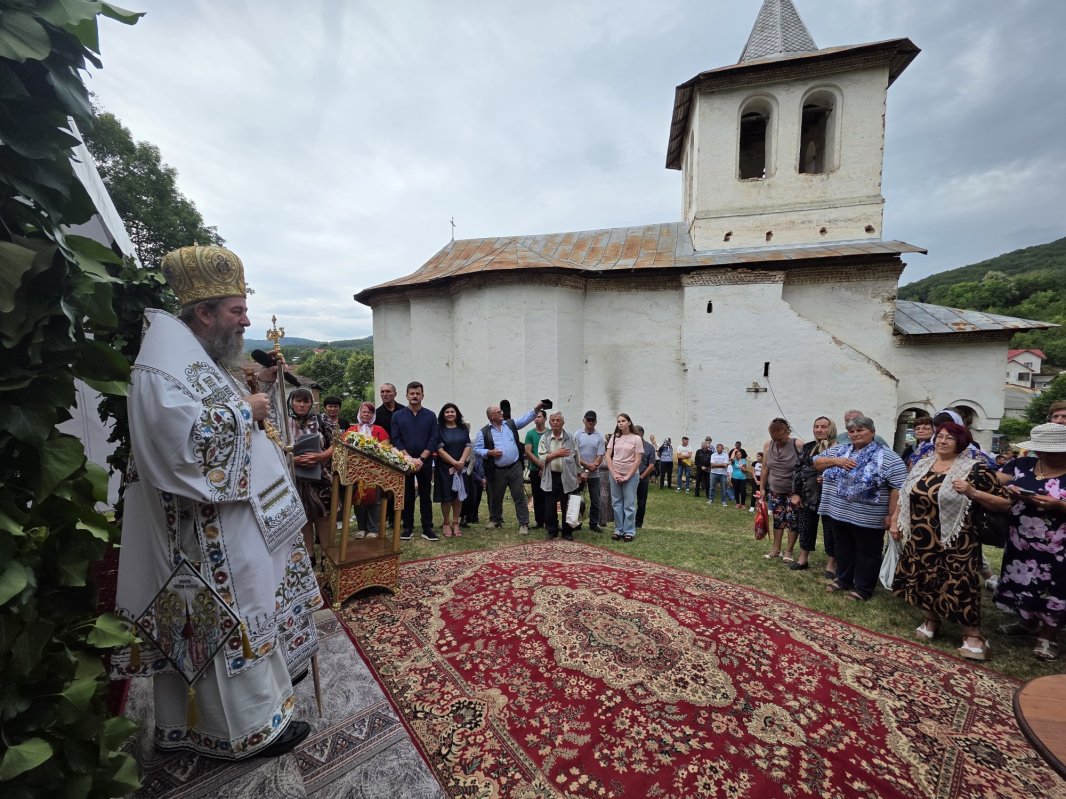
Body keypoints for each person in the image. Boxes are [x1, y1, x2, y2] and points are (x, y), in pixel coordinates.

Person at [110, 245, 319, 759]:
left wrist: (253, 393)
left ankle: (256, 716)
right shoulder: (159, 369)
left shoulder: (192, 356)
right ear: (204, 313)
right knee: (223, 626)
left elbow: (211, 404)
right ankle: (243, 732)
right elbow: (178, 447)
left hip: (227, 524)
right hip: (199, 538)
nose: (246, 321)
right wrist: (244, 412)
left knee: (246, 613)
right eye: (237, 310)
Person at [890, 422, 1008, 661]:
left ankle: (973, 634)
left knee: (959, 583)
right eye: (940, 436)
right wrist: (895, 521)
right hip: (921, 537)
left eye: (949, 438)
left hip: (957, 539)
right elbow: (905, 494)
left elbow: (1005, 502)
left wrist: (972, 492)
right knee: (924, 578)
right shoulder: (923, 464)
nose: (942, 441)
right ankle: (931, 620)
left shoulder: (975, 469)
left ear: (961, 443)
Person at [993, 422, 1066, 661]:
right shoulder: (1022, 464)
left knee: (1055, 588)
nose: (1046, 455)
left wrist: (1059, 505)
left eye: (1053, 452)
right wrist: (1007, 491)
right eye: (1041, 450)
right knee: (1022, 580)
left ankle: (1048, 636)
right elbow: (995, 482)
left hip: (1057, 545)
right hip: (1021, 538)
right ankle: (1026, 622)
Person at [816, 415, 906, 601]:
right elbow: (816, 462)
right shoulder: (840, 450)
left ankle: (863, 588)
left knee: (868, 552)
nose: (855, 434)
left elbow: (898, 488)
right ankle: (844, 579)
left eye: (860, 430)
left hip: (869, 517)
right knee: (843, 547)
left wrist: (892, 516)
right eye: (851, 431)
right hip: (839, 512)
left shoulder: (887, 456)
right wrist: (837, 461)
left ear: (872, 432)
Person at [474, 401, 547, 535]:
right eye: (498, 412)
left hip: (514, 467)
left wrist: (537, 408)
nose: (502, 413)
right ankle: (496, 520)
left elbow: (526, 418)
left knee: (519, 495)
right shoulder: (483, 432)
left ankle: (524, 523)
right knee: (496, 496)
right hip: (497, 469)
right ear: (491, 416)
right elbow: (477, 450)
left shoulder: (510, 424)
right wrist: (489, 452)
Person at [287, 388, 335, 556]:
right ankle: (308, 556)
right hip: (295, 479)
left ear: (311, 403)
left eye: (306, 401)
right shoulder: (283, 422)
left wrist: (320, 456)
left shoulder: (322, 420)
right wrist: (294, 460)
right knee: (303, 517)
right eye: (298, 401)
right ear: (291, 402)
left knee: (324, 515)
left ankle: (326, 556)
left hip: (321, 477)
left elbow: (337, 444)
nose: (302, 405)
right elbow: (274, 449)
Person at [390, 381, 440, 541]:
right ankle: (407, 527)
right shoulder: (397, 416)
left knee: (425, 495)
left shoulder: (430, 415)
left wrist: (421, 459)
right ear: (406, 395)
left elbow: (433, 439)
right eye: (412, 393)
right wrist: (409, 459)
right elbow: (396, 439)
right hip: (405, 461)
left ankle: (427, 528)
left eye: (418, 393)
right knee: (407, 495)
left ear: (422, 396)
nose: (414, 396)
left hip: (424, 462)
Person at [789, 416, 836, 572]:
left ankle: (831, 563)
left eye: (824, 427)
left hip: (831, 496)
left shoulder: (840, 448)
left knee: (831, 529)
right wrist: (796, 493)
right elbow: (797, 470)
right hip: (808, 494)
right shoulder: (808, 447)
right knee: (806, 526)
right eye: (816, 426)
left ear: (831, 428)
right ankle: (803, 558)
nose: (819, 430)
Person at [343, 401, 389, 538]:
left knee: (376, 500)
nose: (366, 414)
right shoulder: (351, 431)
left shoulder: (379, 430)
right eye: (363, 411)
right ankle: (361, 528)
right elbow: (344, 449)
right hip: (356, 471)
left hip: (375, 472)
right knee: (358, 500)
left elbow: (386, 449)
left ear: (373, 415)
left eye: (369, 412)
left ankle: (373, 529)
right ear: (359, 413)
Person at [759, 419, 803, 561]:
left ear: (787, 432)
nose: (777, 441)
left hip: (793, 491)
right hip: (775, 489)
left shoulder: (797, 444)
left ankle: (788, 552)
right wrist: (762, 487)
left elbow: (805, 467)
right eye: (774, 438)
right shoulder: (768, 445)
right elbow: (765, 468)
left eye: (780, 438)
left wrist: (800, 491)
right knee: (778, 520)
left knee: (792, 520)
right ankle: (776, 550)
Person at [538, 411, 582, 540]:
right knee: (550, 506)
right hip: (551, 476)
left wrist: (579, 474)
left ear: (563, 423)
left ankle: (567, 532)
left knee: (567, 505)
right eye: (553, 420)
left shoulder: (571, 438)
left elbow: (577, 457)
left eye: (558, 420)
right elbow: (542, 457)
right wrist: (557, 453)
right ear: (549, 422)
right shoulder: (545, 438)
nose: (555, 423)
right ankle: (552, 530)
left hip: (567, 477)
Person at [433, 402, 471, 538]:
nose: (450, 414)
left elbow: (468, 445)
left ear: (457, 414)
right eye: (447, 412)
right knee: (447, 497)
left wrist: (461, 462)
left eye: (452, 412)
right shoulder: (438, 429)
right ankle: (446, 523)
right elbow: (439, 449)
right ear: (443, 414)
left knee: (458, 496)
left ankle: (456, 523)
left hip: (461, 467)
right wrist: (454, 462)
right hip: (445, 468)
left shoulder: (463, 428)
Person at [606, 414, 642, 541]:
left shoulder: (636, 438)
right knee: (616, 503)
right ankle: (618, 529)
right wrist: (614, 473)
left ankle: (629, 531)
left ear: (629, 422)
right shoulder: (614, 437)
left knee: (629, 503)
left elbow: (637, 460)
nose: (620, 423)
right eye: (619, 421)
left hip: (631, 475)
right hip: (615, 474)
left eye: (623, 421)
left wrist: (627, 476)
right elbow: (608, 456)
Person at [574, 411, 606, 532]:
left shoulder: (599, 437)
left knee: (595, 500)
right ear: (584, 420)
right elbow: (575, 454)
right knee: (577, 499)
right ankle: (577, 522)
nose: (590, 422)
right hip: (579, 472)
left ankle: (593, 523)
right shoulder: (577, 435)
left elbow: (600, 456)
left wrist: (590, 468)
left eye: (593, 420)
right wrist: (586, 466)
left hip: (594, 473)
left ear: (596, 422)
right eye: (588, 420)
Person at [524, 409, 549, 530]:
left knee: (549, 495)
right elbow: (528, 452)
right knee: (537, 495)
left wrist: (545, 466)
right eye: (535, 417)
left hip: (549, 468)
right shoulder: (530, 433)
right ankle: (539, 521)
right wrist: (540, 465)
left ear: (545, 418)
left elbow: (552, 450)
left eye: (539, 417)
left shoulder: (550, 433)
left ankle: (549, 520)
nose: (536, 419)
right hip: (535, 469)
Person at [635, 426, 657, 529]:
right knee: (628, 502)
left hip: (643, 478)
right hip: (630, 477)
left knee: (641, 502)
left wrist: (641, 477)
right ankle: (627, 521)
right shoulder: (630, 445)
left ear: (641, 434)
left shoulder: (649, 447)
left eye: (636, 433)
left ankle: (638, 523)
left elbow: (651, 465)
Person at [707, 442, 731, 507]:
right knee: (712, 487)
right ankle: (710, 499)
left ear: (723, 449)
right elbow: (712, 465)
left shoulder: (725, 455)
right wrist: (722, 465)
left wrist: (716, 465)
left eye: (721, 448)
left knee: (723, 489)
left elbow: (725, 465)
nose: (720, 449)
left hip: (723, 474)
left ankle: (724, 501)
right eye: (718, 448)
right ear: (716, 448)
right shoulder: (713, 455)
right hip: (714, 473)